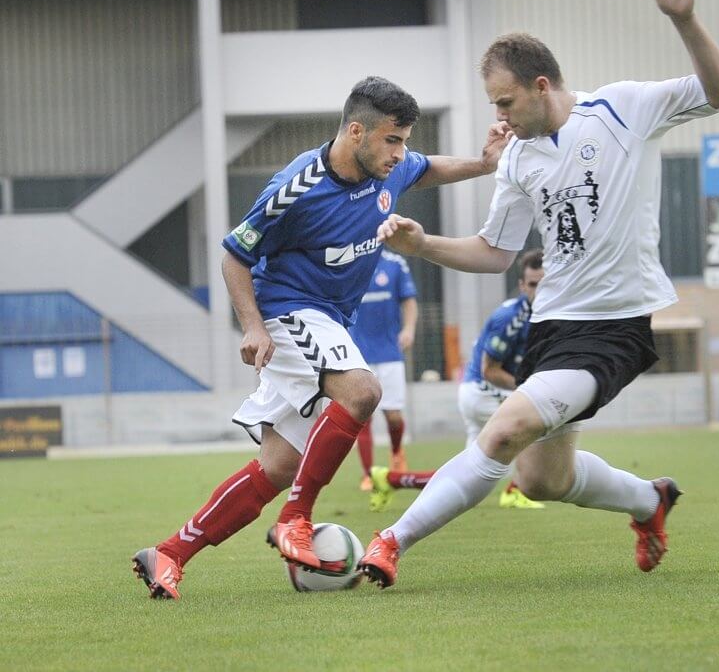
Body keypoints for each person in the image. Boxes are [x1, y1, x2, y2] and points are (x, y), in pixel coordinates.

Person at [357, 0, 719, 588]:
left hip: (613, 328)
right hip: (552, 326)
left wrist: (686, 20)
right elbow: (495, 253)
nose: (499, 118)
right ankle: (650, 500)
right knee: (541, 480)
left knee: (505, 431)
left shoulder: (623, 110)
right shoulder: (518, 160)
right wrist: (424, 246)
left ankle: (390, 541)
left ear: (541, 86)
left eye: (506, 102)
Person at [130, 76, 507, 599]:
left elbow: (429, 168)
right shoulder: (295, 189)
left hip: (329, 321)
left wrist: (484, 164)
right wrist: (254, 326)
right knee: (363, 392)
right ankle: (296, 520)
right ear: (356, 131)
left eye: (404, 140)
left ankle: (169, 553)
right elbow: (235, 255)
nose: (401, 153)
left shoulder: (389, 169)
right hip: (289, 312)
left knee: (279, 466)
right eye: (392, 140)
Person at [367, 248, 547, 512]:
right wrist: (528, 388)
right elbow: (490, 371)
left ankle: (391, 479)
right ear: (522, 286)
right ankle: (514, 490)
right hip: (482, 390)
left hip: (488, 392)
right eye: (533, 284)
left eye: (545, 284)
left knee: (468, 474)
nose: (539, 291)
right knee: (535, 422)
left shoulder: (544, 315)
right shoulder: (509, 319)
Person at [349, 248, 419, 492]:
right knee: (363, 417)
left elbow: (409, 299)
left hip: (389, 352)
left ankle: (397, 452)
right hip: (357, 354)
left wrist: (409, 329)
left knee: (393, 416)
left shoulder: (395, 263)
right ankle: (368, 474)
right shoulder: (348, 260)